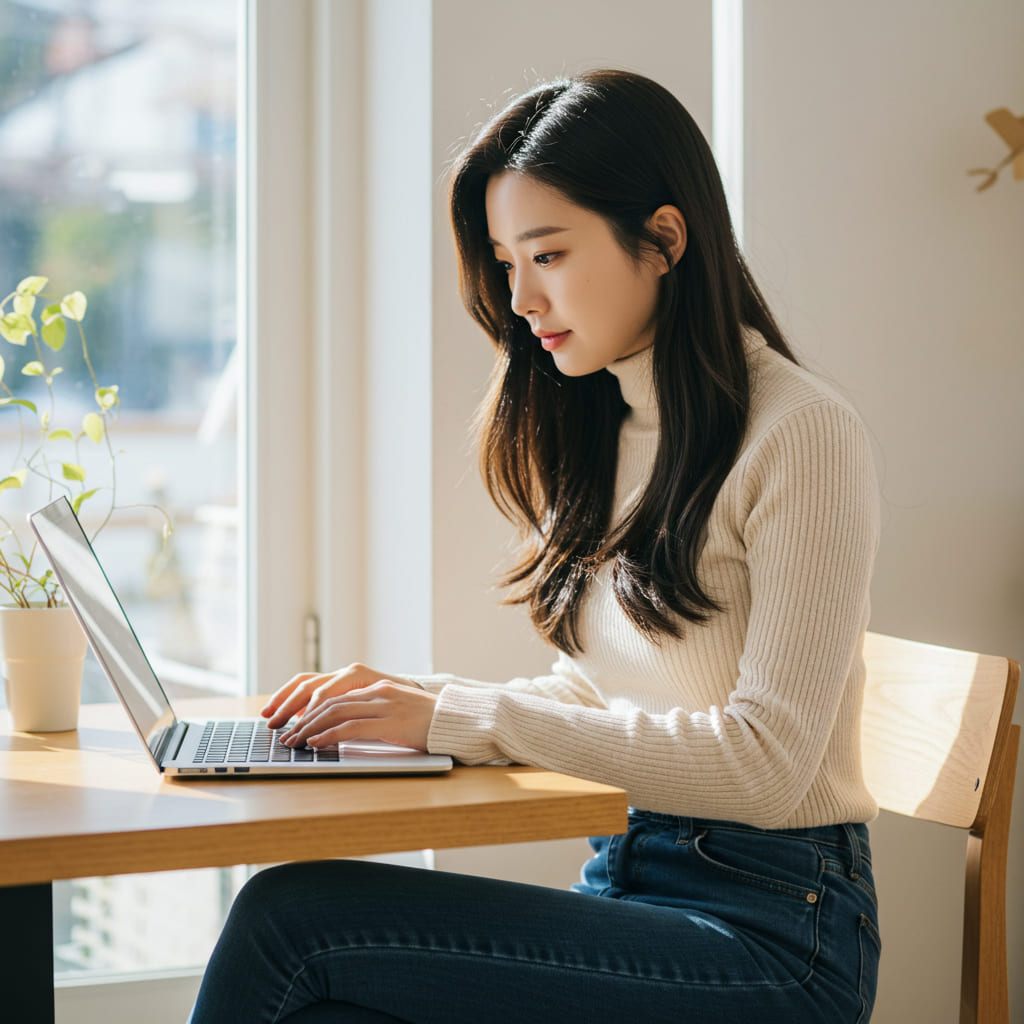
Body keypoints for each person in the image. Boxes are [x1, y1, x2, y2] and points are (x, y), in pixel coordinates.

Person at [189, 68, 881, 1023]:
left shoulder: (798, 432)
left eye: (547, 255)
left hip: (777, 935)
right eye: (507, 262)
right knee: (327, 1003)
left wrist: (459, 717)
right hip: (632, 882)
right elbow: (600, 696)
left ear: (665, 240)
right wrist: (417, 700)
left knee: (292, 918)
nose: (520, 298)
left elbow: (765, 764)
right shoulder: (612, 424)